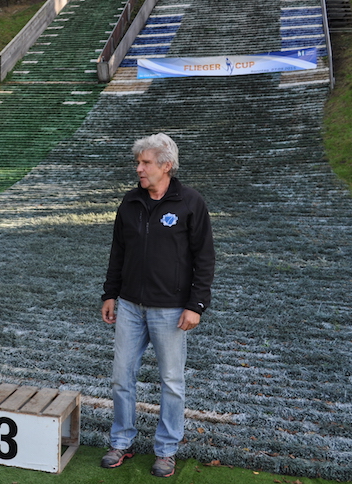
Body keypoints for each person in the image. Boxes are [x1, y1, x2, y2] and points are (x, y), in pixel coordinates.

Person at [100, 133, 215, 478]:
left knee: (171, 382)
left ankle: (166, 451)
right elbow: (118, 251)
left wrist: (196, 305)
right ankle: (121, 441)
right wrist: (110, 293)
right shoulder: (130, 202)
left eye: (145, 163)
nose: (139, 168)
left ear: (166, 166)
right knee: (121, 378)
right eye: (138, 162)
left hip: (171, 310)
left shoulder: (190, 203)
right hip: (130, 307)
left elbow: (204, 257)